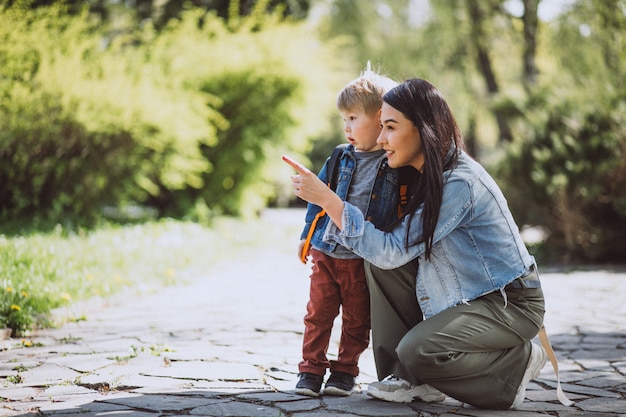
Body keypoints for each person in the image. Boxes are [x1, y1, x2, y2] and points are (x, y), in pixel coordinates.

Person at [283, 77, 549, 409]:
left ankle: (515, 365)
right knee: (377, 264)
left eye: (390, 127)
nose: (381, 139)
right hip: (465, 296)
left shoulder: (459, 184)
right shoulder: (419, 173)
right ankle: (406, 379)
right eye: (379, 126)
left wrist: (329, 201)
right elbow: (387, 250)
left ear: (423, 129)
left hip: (507, 302)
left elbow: (392, 250)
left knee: (419, 350)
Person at [293, 68, 404, 398]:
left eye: (353, 118)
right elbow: (319, 196)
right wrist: (306, 235)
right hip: (326, 251)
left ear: (380, 119)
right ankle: (310, 370)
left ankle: (344, 371)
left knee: (357, 319)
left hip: (360, 258)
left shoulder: (392, 163)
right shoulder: (341, 155)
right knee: (318, 314)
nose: (347, 127)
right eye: (344, 118)